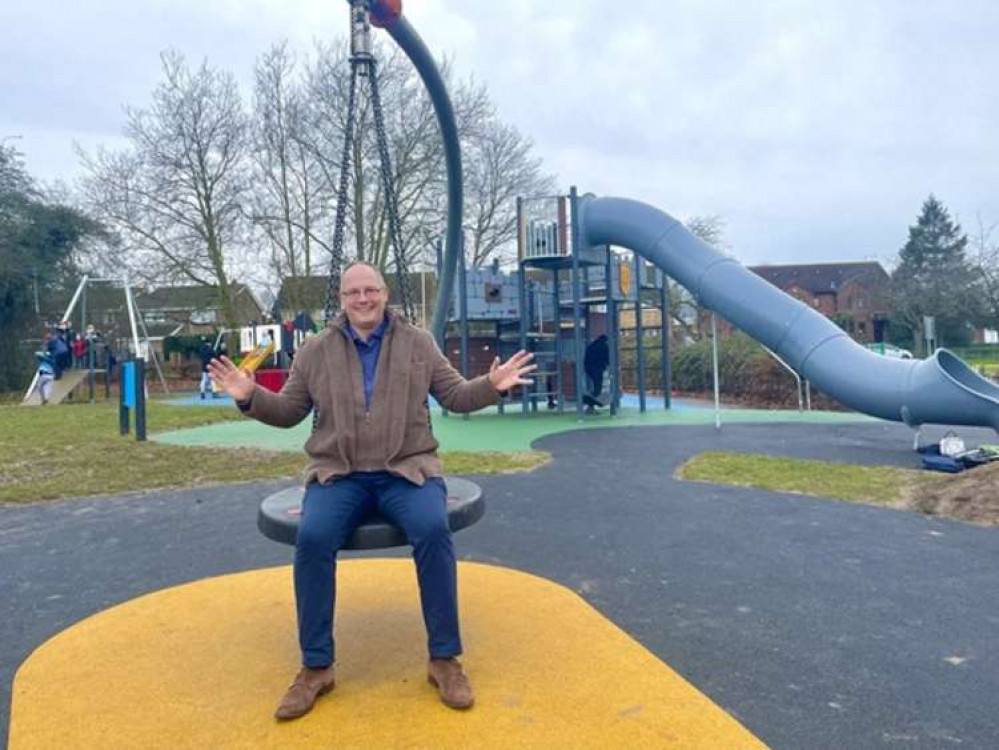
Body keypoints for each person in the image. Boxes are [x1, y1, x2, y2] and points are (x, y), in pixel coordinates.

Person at [208, 261, 535, 720]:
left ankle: (444, 659)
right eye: (353, 293)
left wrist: (491, 386)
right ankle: (316, 666)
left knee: (433, 529)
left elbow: (456, 396)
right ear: (341, 300)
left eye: (371, 291)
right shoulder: (315, 350)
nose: (362, 299)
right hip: (338, 473)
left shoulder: (418, 343)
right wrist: (249, 396)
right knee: (314, 538)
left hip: (407, 468)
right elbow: (288, 412)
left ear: (385, 294)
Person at [583, 334, 610, 413]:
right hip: (598, 369)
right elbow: (607, 359)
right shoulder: (604, 346)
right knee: (598, 388)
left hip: (589, 369)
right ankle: (590, 401)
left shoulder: (591, 345)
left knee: (596, 387)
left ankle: (591, 403)